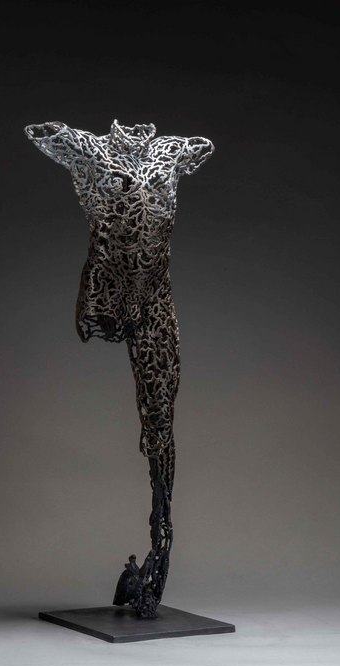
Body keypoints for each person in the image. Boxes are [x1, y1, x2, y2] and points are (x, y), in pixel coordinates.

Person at [25, 119, 214, 617]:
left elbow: (201, 146)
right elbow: (44, 133)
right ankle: (156, 553)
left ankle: (160, 545)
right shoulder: (92, 149)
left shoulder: (171, 150)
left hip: (155, 300)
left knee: (161, 413)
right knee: (157, 412)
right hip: (115, 294)